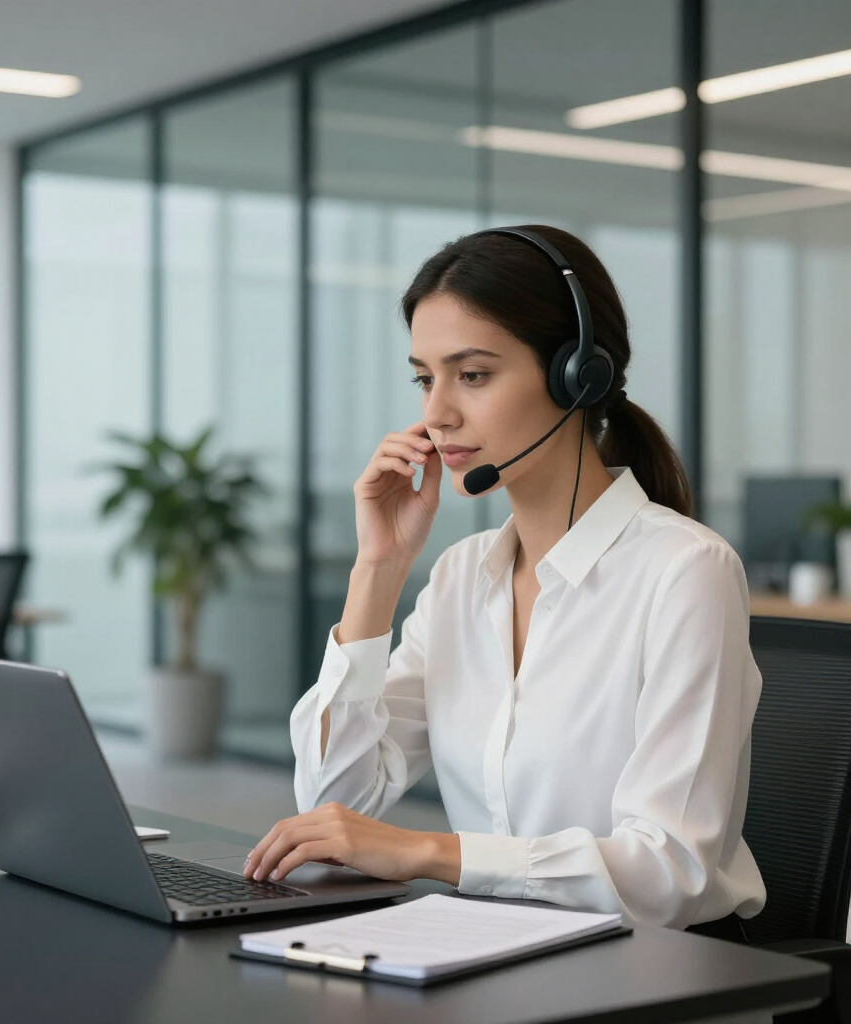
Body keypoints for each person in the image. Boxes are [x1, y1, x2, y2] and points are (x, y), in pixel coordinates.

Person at [243, 225, 766, 938]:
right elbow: (336, 797)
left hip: (649, 974)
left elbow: (671, 871)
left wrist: (432, 853)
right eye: (426, 378)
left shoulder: (684, 573)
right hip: (496, 953)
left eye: (473, 375)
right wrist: (379, 568)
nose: (437, 413)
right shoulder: (462, 576)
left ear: (578, 376)